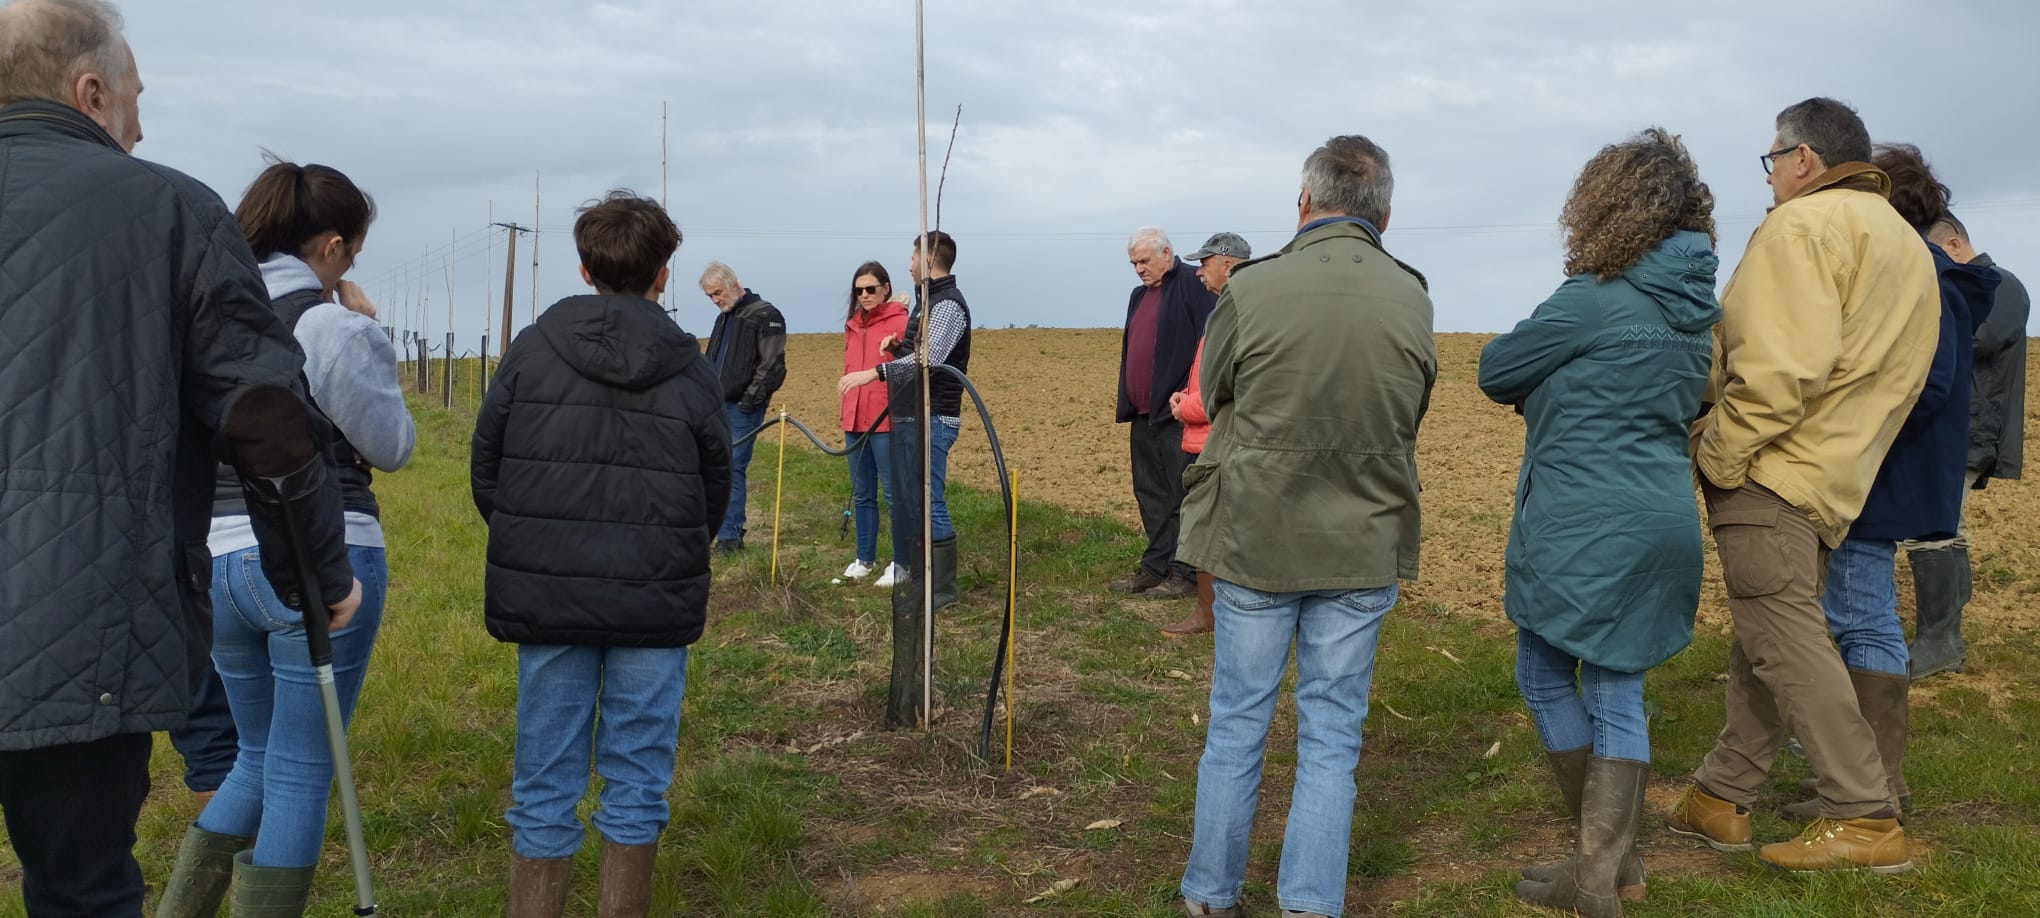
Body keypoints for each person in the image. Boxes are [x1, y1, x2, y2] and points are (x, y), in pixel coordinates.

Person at [0, 2, 357, 914]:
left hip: (68, 614)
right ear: (90, 92)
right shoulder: (170, 208)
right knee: (80, 885)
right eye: (133, 97)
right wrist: (314, 571)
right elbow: (264, 415)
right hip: (77, 617)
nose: (142, 123)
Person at [1670, 98, 1939, 875]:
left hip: (1773, 468)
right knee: (1769, 637)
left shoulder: (1803, 226)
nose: (1771, 177)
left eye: (1773, 160)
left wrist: (1718, 455)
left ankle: (1862, 815)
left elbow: (1779, 368)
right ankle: (1720, 795)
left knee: (1784, 636)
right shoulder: (1904, 243)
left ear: (1805, 160)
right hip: (1838, 475)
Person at [1176, 135, 1436, 918]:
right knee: (1332, 734)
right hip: (1364, 539)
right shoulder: (1412, 295)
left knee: (1236, 720)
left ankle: (1210, 897)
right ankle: (1309, 903)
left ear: (1303, 202)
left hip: (1256, 536)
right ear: (1384, 214)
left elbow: (1212, 387)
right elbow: (1412, 407)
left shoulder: (1251, 290)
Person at [154, 160, 417, 916]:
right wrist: (369, 330)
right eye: (352, 255)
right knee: (302, 769)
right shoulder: (328, 322)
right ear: (332, 246)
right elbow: (392, 444)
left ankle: (180, 910)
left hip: (218, 556)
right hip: (316, 550)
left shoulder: (201, 308)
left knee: (255, 758)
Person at [1479, 128, 1721, 917]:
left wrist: (1546, 387)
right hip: (1662, 520)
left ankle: (1598, 877)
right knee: (1619, 687)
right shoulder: (1695, 313)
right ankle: (1611, 867)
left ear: (1606, 206)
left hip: (1584, 525)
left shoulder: (1591, 298)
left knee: (1545, 673)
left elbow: (1496, 369)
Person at [474, 191, 731, 918]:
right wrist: (669, 549)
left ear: (584, 269)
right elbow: (716, 486)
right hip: (654, 596)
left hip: (550, 600)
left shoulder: (532, 349)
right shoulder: (691, 368)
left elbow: (487, 468)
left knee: (544, 781)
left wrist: (540, 544)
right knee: (637, 779)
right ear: (665, 273)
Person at [1775, 144, 1998, 823]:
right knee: (1856, 610)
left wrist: (1846, 427)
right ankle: (1863, 779)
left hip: (1880, 472)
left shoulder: (1916, 272)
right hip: (1894, 469)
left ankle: (1869, 789)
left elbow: (1923, 384)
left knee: (1859, 611)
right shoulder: (1928, 271)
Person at [1904, 213, 2030, 678]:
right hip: (1960, 427)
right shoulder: (1985, 285)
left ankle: (1939, 641)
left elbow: (1975, 337)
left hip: (1972, 430)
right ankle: (1945, 640)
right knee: (1943, 527)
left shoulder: (2002, 285)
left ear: (1954, 243)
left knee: (1931, 531)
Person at [837, 231, 972, 606]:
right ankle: (924, 575)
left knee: (930, 499)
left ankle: (942, 588)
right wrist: (898, 347)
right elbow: (920, 351)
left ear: (929, 260)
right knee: (918, 497)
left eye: (913, 258)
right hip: (916, 415)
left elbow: (931, 360)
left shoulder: (946, 304)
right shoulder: (927, 302)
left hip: (936, 416)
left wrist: (874, 373)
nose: (909, 265)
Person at [1112, 226, 1216, 601]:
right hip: (1142, 413)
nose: (1138, 269)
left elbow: (1210, 342)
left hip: (1177, 413)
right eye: (1133, 263)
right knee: (1149, 492)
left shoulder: (1191, 284)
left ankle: (1186, 573)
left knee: (1182, 493)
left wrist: (1190, 397)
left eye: (1144, 260)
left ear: (1167, 254)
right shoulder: (1138, 295)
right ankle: (1156, 566)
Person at [1160, 232, 1250, 637]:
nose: (1198, 272)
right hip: (1209, 434)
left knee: (1206, 531)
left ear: (1228, 264)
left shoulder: (1236, 313)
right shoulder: (1228, 310)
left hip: (1216, 440)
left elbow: (1229, 385)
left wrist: (1186, 406)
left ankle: (1207, 614)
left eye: (1206, 262)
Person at [700, 261, 786, 553]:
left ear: (733, 284)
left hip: (742, 409)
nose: (715, 300)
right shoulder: (724, 317)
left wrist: (750, 401)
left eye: (717, 293)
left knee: (733, 469)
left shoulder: (765, 314)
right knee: (715, 468)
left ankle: (729, 538)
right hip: (717, 406)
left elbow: (772, 365)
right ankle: (718, 532)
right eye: (710, 296)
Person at [840, 261, 909, 581]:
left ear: (885, 288)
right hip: (853, 419)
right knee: (863, 492)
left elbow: (908, 362)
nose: (864, 295)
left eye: (870, 289)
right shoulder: (852, 324)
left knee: (894, 494)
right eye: (859, 290)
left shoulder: (901, 319)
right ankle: (864, 558)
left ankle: (902, 563)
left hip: (886, 418)